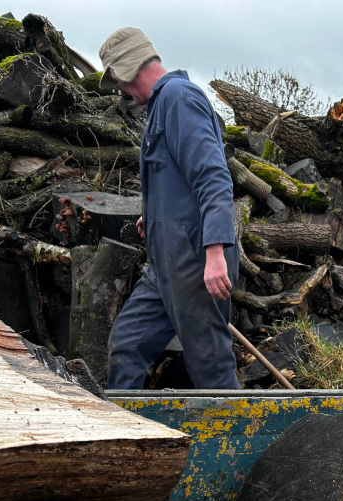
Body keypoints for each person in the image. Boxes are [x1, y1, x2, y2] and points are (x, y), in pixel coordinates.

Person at [99, 27, 240, 389]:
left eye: (117, 79)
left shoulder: (178, 98)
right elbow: (177, 180)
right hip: (166, 264)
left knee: (210, 366)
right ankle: (122, 437)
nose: (120, 90)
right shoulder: (160, 105)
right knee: (127, 344)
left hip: (194, 261)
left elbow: (213, 178)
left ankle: (237, 441)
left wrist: (214, 252)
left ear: (128, 69)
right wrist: (157, 217)